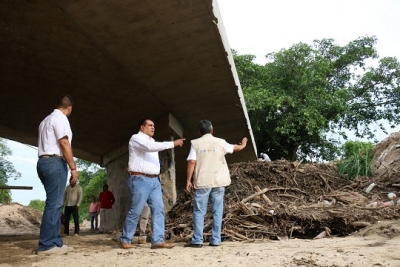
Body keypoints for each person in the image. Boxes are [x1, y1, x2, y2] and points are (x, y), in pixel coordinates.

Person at [119, 119, 185, 249]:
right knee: (136, 210)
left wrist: (158, 173)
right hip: (140, 180)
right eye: (149, 125)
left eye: (154, 126)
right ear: (142, 127)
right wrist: (173, 143)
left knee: (159, 210)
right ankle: (126, 239)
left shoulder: (153, 141)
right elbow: (149, 148)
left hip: (154, 181)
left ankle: (158, 241)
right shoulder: (136, 138)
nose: (153, 127)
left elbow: (153, 156)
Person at [184, 120, 247, 248]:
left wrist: (188, 180)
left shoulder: (195, 143)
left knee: (199, 211)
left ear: (199, 132)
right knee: (217, 211)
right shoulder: (221, 142)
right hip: (218, 181)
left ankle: (197, 241)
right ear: (212, 130)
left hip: (202, 182)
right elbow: (237, 148)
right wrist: (244, 143)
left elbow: (191, 162)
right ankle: (215, 240)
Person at [36, 94, 78, 255]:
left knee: (53, 203)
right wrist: (73, 167)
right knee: (54, 204)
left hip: (42, 162)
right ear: (69, 108)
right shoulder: (61, 118)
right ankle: (47, 245)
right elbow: (64, 142)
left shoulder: (44, 121)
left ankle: (56, 243)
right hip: (54, 162)